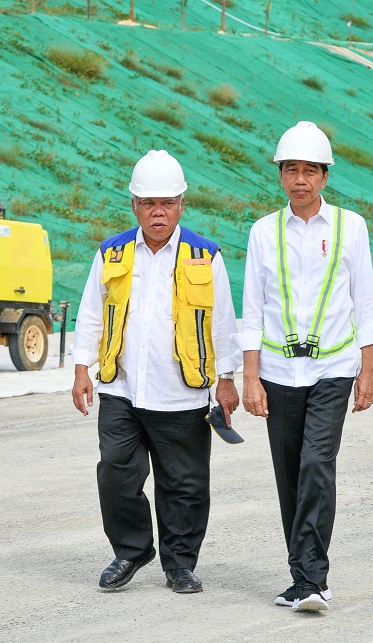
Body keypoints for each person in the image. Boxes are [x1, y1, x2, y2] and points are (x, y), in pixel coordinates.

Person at [71, 150, 240, 594]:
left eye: (167, 202)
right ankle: (131, 550)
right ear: (134, 205)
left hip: (182, 392)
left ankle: (179, 564)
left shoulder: (205, 255)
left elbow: (223, 320)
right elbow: (91, 312)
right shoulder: (111, 252)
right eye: (148, 203)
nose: (158, 211)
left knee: (184, 485)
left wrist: (228, 378)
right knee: (115, 471)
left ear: (182, 203)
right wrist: (80, 368)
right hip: (121, 388)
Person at [235, 122, 373, 611]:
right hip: (278, 373)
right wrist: (250, 376)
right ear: (281, 176)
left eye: (310, 171)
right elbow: (252, 310)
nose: (301, 179)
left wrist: (368, 369)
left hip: (333, 369)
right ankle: (300, 577)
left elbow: (365, 302)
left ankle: (313, 580)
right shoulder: (263, 231)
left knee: (317, 465)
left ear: (324, 177)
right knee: (289, 474)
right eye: (292, 170)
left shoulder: (350, 227)